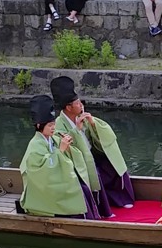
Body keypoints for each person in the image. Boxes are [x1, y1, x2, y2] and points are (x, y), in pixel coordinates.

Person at [51, 76, 135, 210]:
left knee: (112, 161)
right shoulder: (59, 125)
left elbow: (105, 136)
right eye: (78, 103)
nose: (81, 105)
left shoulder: (81, 117)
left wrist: (92, 124)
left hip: (91, 155)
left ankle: (120, 199)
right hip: (78, 163)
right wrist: (76, 130)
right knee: (94, 172)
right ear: (68, 107)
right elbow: (66, 146)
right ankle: (102, 207)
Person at [17, 95, 90, 218]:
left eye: (53, 124)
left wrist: (68, 144)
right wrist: (60, 151)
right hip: (43, 186)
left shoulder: (52, 138)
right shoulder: (35, 145)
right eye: (50, 125)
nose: (53, 128)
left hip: (55, 180)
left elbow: (66, 152)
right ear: (39, 126)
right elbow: (43, 170)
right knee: (77, 189)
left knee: (82, 186)